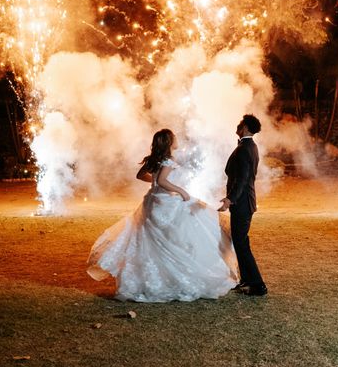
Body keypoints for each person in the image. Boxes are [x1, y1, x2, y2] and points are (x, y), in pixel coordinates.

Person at [87, 129, 237, 302]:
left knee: (152, 240)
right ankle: (175, 278)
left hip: (152, 201)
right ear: (168, 142)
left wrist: (155, 184)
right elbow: (163, 181)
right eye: (174, 138)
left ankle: (153, 279)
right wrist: (180, 190)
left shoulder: (154, 159)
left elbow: (141, 175)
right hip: (164, 202)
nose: (176, 140)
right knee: (177, 234)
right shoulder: (168, 159)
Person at [219, 114, 267, 296]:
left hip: (243, 203)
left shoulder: (245, 149)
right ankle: (247, 280)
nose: (237, 126)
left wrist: (230, 199)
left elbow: (242, 179)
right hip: (245, 202)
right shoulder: (249, 146)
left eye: (240, 124)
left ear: (245, 127)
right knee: (240, 242)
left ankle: (258, 284)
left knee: (241, 242)